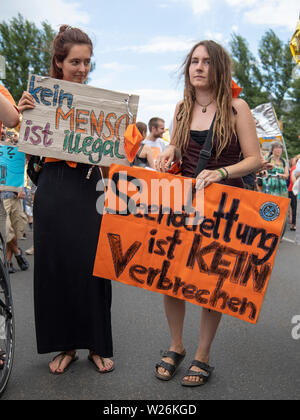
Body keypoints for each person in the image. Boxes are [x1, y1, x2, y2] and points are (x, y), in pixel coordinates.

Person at [155, 40, 261, 387]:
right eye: (193, 61)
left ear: (218, 68)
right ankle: (176, 345)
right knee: (171, 278)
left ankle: (202, 354)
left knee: (209, 281)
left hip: (223, 207)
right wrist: (168, 150)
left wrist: (220, 173)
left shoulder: (236, 108)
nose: (198, 67)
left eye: (206, 62)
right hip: (183, 204)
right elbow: (176, 146)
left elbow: (254, 159)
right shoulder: (182, 109)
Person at [18, 25, 114, 374]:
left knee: (94, 267)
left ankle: (98, 345)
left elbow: (111, 159)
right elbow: (31, 159)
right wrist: (23, 112)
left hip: (89, 186)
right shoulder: (38, 97)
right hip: (52, 187)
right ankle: (66, 346)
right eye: (75, 61)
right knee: (55, 267)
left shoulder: (104, 105)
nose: (83, 69)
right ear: (58, 62)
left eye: (88, 62)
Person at [288, 156, 299, 231]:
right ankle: (294, 224)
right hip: (293, 190)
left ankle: (293, 222)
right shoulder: (295, 168)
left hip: (294, 190)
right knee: (294, 207)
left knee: (294, 207)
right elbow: (293, 180)